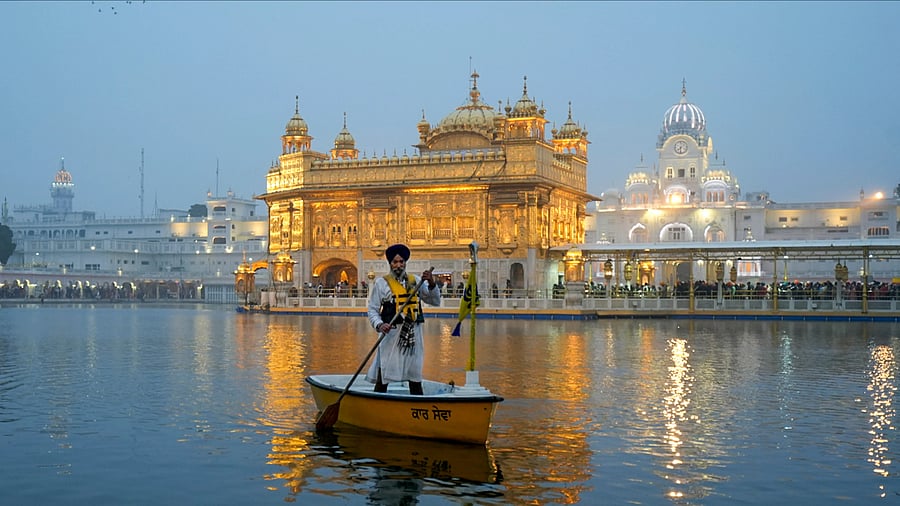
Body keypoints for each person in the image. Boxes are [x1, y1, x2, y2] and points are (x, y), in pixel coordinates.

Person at [366, 243, 441, 395]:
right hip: (391, 335)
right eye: (395, 262)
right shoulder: (382, 284)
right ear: (390, 264)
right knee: (385, 371)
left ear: (405, 263)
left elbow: (434, 301)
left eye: (401, 262)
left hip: (413, 335)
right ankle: (377, 402)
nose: (398, 265)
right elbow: (373, 310)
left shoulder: (416, 281)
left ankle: (417, 403)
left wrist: (432, 283)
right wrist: (380, 325)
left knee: (414, 373)